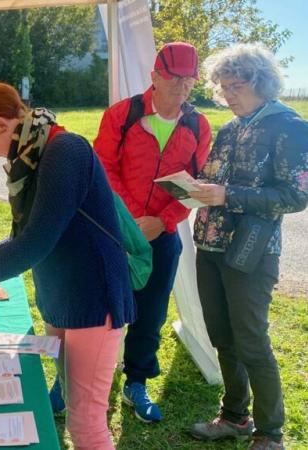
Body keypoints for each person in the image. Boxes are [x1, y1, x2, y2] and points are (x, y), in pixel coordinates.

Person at [0, 82, 136, 450]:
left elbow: (37, 241)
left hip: (93, 298)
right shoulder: (32, 154)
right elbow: (28, 231)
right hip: (61, 294)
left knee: (87, 423)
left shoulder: (65, 150)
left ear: (0, 123)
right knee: (67, 389)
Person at [187, 44, 308, 450]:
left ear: (261, 82)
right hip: (211, 246)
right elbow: (215, 179)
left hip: (252, 251)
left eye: (236, 85)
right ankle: (235, 416)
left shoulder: (290, 127)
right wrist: (196, 187)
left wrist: (228, 195)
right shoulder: (230, 127)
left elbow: (295, 195)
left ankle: (270, 434)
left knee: (251, 340)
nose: (229, 94)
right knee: (222, 336)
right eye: (223, 87)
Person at [89, 41, 212, 423]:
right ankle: (82, 379)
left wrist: (162, 221)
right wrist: (132, 219)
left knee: (152, 311)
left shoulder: (198, 125)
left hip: (164, 233)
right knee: (99, 307)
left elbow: (198, 184)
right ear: (154, 75)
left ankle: (136, 381)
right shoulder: (122, 115)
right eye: (173, 78)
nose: (181, 87)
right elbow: (103, 168)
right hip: (115, 230)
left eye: (188, 80)